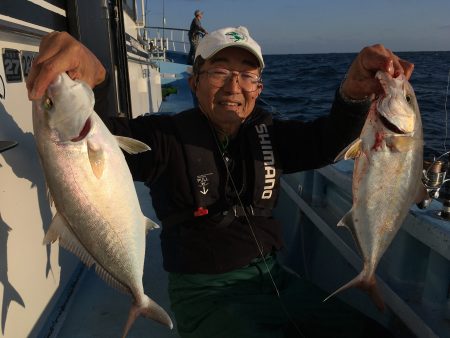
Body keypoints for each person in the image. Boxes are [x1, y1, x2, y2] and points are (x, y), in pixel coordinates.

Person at [27, 26, 414, 338]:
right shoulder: (162, 138)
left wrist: (351, 94)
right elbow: (88, 142)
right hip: (203, 294)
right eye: (219, 72)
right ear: (194, 83)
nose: (234, 87)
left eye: (247, 75)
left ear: (259, 88)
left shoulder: (269, 134)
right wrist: (91, 75)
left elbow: (327, 142)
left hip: (276, 279)